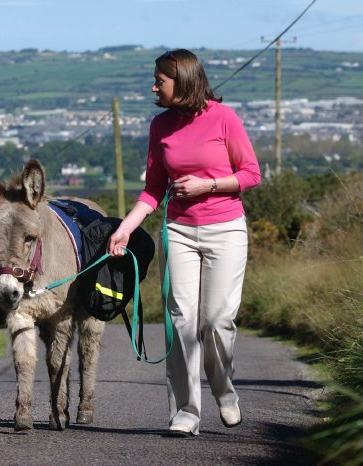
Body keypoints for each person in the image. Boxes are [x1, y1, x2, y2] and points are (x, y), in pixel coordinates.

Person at [107, 49, 261, 438]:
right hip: (179, 231)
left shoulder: (224, 118)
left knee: (217, 320)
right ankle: (186, 410)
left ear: (184, 81)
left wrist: (207, 184)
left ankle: (225, 391)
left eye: (160, 80)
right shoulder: (160, 126)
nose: (153, 86)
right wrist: (126, 227)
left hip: (225, 229)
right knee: (182, 321)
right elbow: (153, 188)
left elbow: (251, 174)